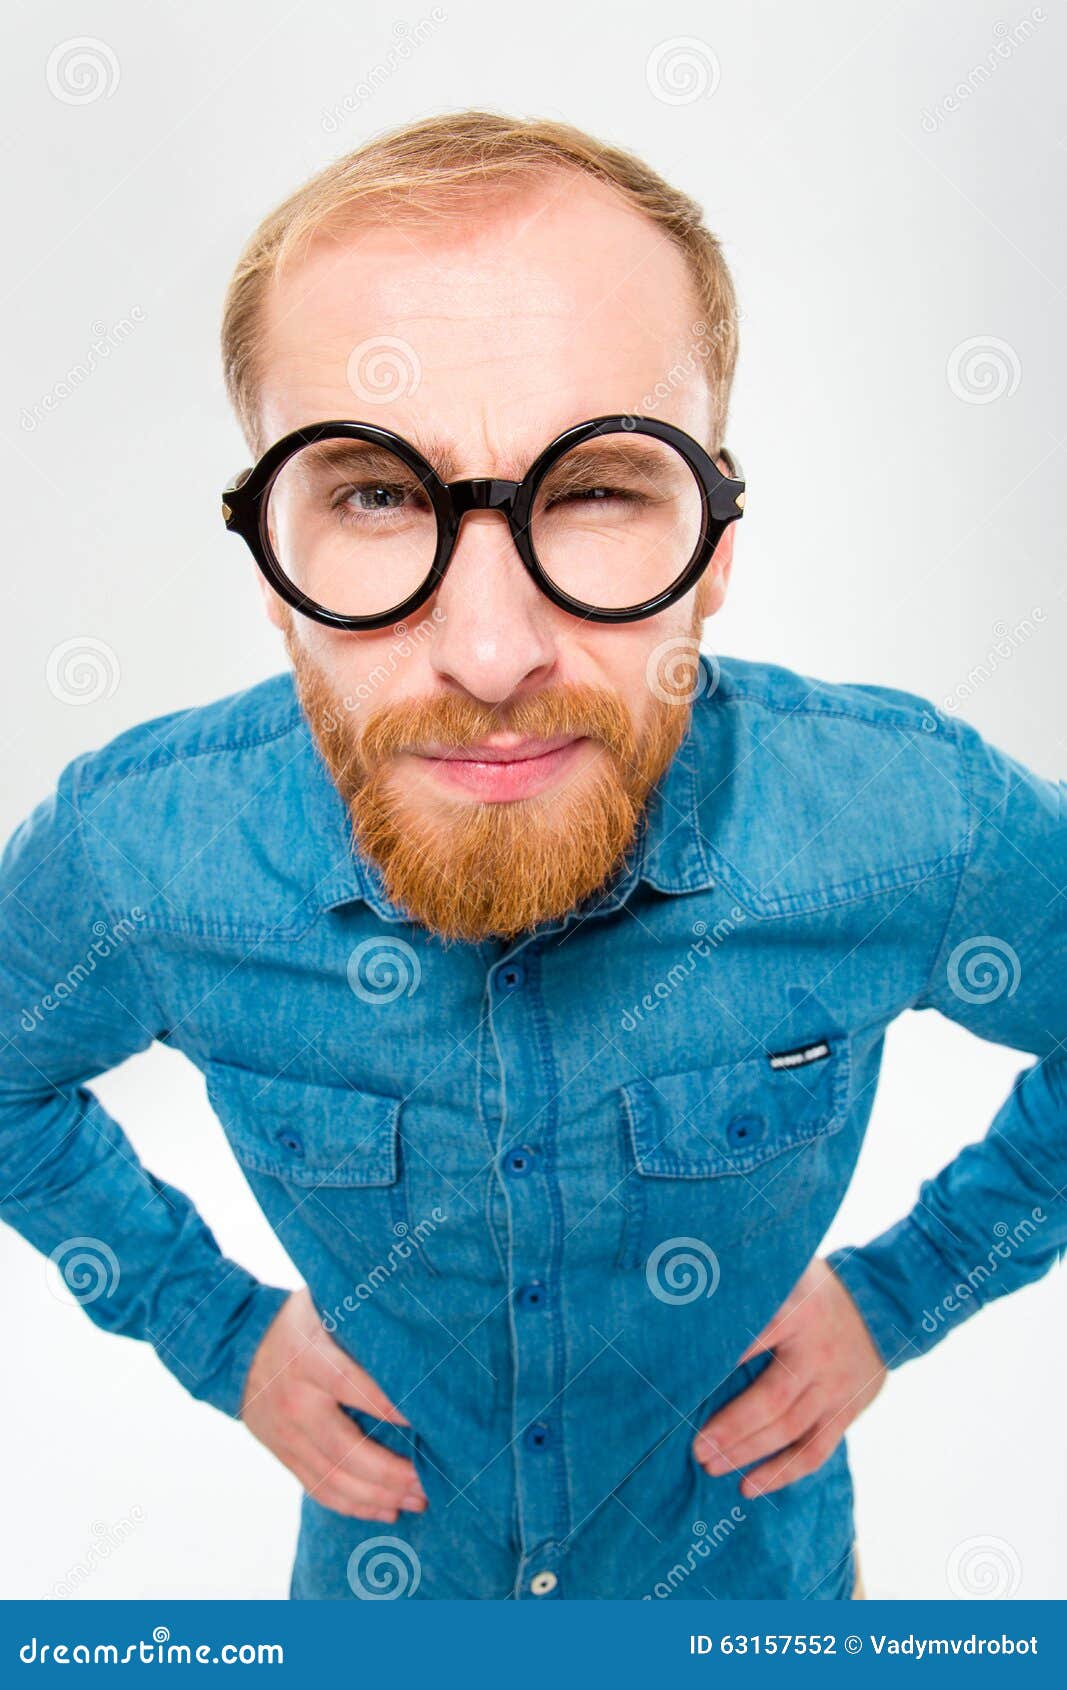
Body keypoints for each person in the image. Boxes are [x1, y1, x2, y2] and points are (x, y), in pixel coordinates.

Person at [1, 111, 1063, 1602]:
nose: (493, 654)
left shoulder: (906, 816)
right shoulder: (139, 855)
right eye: (377, 495)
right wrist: (216, 1333)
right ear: (270, 562)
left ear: (717, 538)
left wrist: (903, 1295)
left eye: (597, 489)